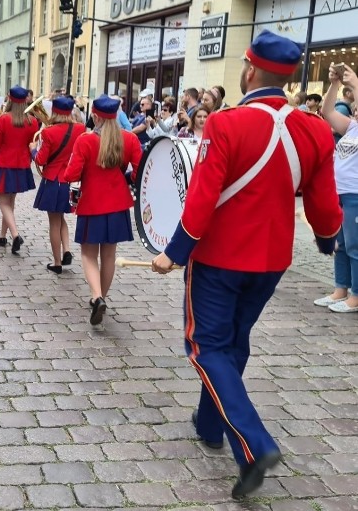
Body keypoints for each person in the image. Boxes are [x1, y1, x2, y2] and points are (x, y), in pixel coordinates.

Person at [152, 30, 342, 499]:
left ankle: (253, 445)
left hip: (218, 258)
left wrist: (173, 252)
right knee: (232, 341)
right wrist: (325, 238)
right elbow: (323, 204)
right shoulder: (315, 128)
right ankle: (209, 424)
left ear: (251, 70)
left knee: (206, 346)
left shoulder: (226, 123)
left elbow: (202, 199)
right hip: (272, 260)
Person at [63, 95, 141, 326]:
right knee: (109, 255)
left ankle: (96, 296)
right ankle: (102, 297)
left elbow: (71, 175)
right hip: (118, 204)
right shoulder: (129, 139)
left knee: (88, 254)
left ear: (94, 116)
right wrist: (125, 178)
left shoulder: (85, 141)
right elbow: (139, 171)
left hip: (92, 204)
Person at [318, 63, 358, 313]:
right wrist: (334, 84)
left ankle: (356, 295)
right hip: (340, 193)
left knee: (355, 246)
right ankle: (340, 289)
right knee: (341, 244)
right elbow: (326, 110)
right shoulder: (352, 127)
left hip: (355, 195)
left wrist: (354, 83)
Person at [32, 97, 84, 274]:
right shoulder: (80, 129)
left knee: (54, 222)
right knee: (61, 218)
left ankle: (57, 262)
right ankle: (67, 250)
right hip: (71, 181)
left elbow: (40, 159)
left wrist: (33, 148)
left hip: (53, 181)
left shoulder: (48, 132)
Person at [0, 87, 39, 254]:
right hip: (21, 165)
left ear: (9, 99)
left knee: (3, 202)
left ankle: (15, 234)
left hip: (4, 163)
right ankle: (3, 236)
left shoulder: (3, 119)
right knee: (10, 203)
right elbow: (32, 143)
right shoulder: (32, 121)